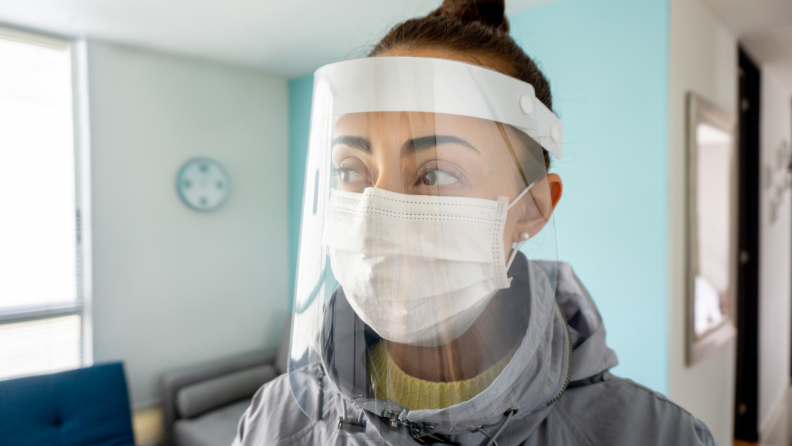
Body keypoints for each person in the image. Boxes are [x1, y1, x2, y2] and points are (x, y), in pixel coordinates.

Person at [233, 0, 717, 444]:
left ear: (532, 209)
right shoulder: (276, 420)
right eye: (350, 171)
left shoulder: (650, 433)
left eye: (436, 172)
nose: (374, 212)